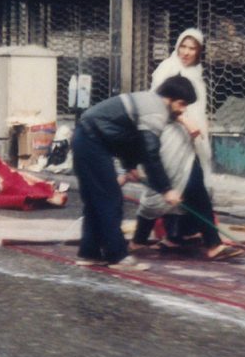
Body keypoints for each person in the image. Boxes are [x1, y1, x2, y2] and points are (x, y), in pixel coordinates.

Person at [72, 76, 196, 270]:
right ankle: (118, 256)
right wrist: (166, 189)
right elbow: (150, 153)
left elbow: (131, 138)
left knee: (96, 202)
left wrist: (130, 166)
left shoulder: (150, 102)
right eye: (182, 104)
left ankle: (90, 253)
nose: (183, 110)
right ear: (172, 99)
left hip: (86, 139)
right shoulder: (156, 111)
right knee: (110, 200)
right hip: (91, 141)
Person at [123, 121, 241, 260]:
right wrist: (187, 121)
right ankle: (141, 241)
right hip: (170, 143)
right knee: (165, 195)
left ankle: (180, 238)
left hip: (181, 145)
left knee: (192, 194)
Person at [150, 28, 212, 171]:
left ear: (199, 51)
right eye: (183, 46)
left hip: (192, 131)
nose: (186, 52)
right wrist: (184, 120)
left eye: (192, 48)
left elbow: (198, 104)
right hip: (171, 127)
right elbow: (157, 101)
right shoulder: (168, 67)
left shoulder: (197, 71)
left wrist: (201, 123)